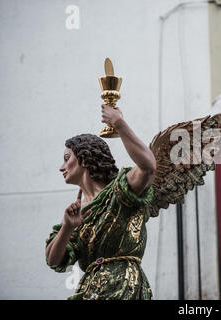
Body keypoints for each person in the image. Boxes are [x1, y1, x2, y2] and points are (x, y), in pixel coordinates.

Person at [45, 104, 157, 300]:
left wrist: (118, 123)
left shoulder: (121, 192)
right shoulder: (77, 214)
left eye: (66, 158)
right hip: (90, 291)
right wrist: (67, 228)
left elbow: (148, 167)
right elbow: (53, 260)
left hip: (124, 286)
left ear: (85, 158)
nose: (61, 167)